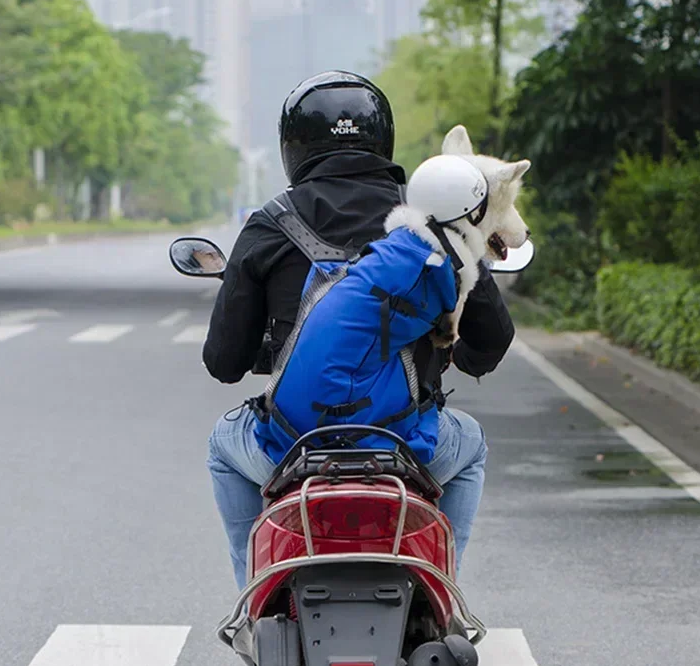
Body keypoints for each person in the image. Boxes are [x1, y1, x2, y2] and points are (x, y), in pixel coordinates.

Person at [203, 70, 515, 589]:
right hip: (408, 448)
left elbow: (223, 362)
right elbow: (493, 338)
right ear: (383, 138)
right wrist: (463, 355)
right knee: (471, 442)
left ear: (293, 148)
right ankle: (443, 590)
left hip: (292, 449)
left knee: (223, 443)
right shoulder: (433, 221)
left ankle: (254, 598)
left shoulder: (270, 224)